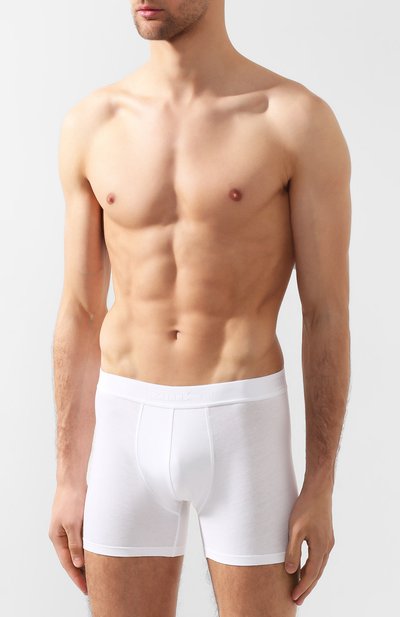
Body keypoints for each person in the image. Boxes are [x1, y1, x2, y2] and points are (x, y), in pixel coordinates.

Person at [48, 1, 351, 615]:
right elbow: (80, 312)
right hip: (125, 422)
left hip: (243, 421)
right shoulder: (93, 123)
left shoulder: (294, 120)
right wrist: (68, 476)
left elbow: (325, 314)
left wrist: (321, 482)